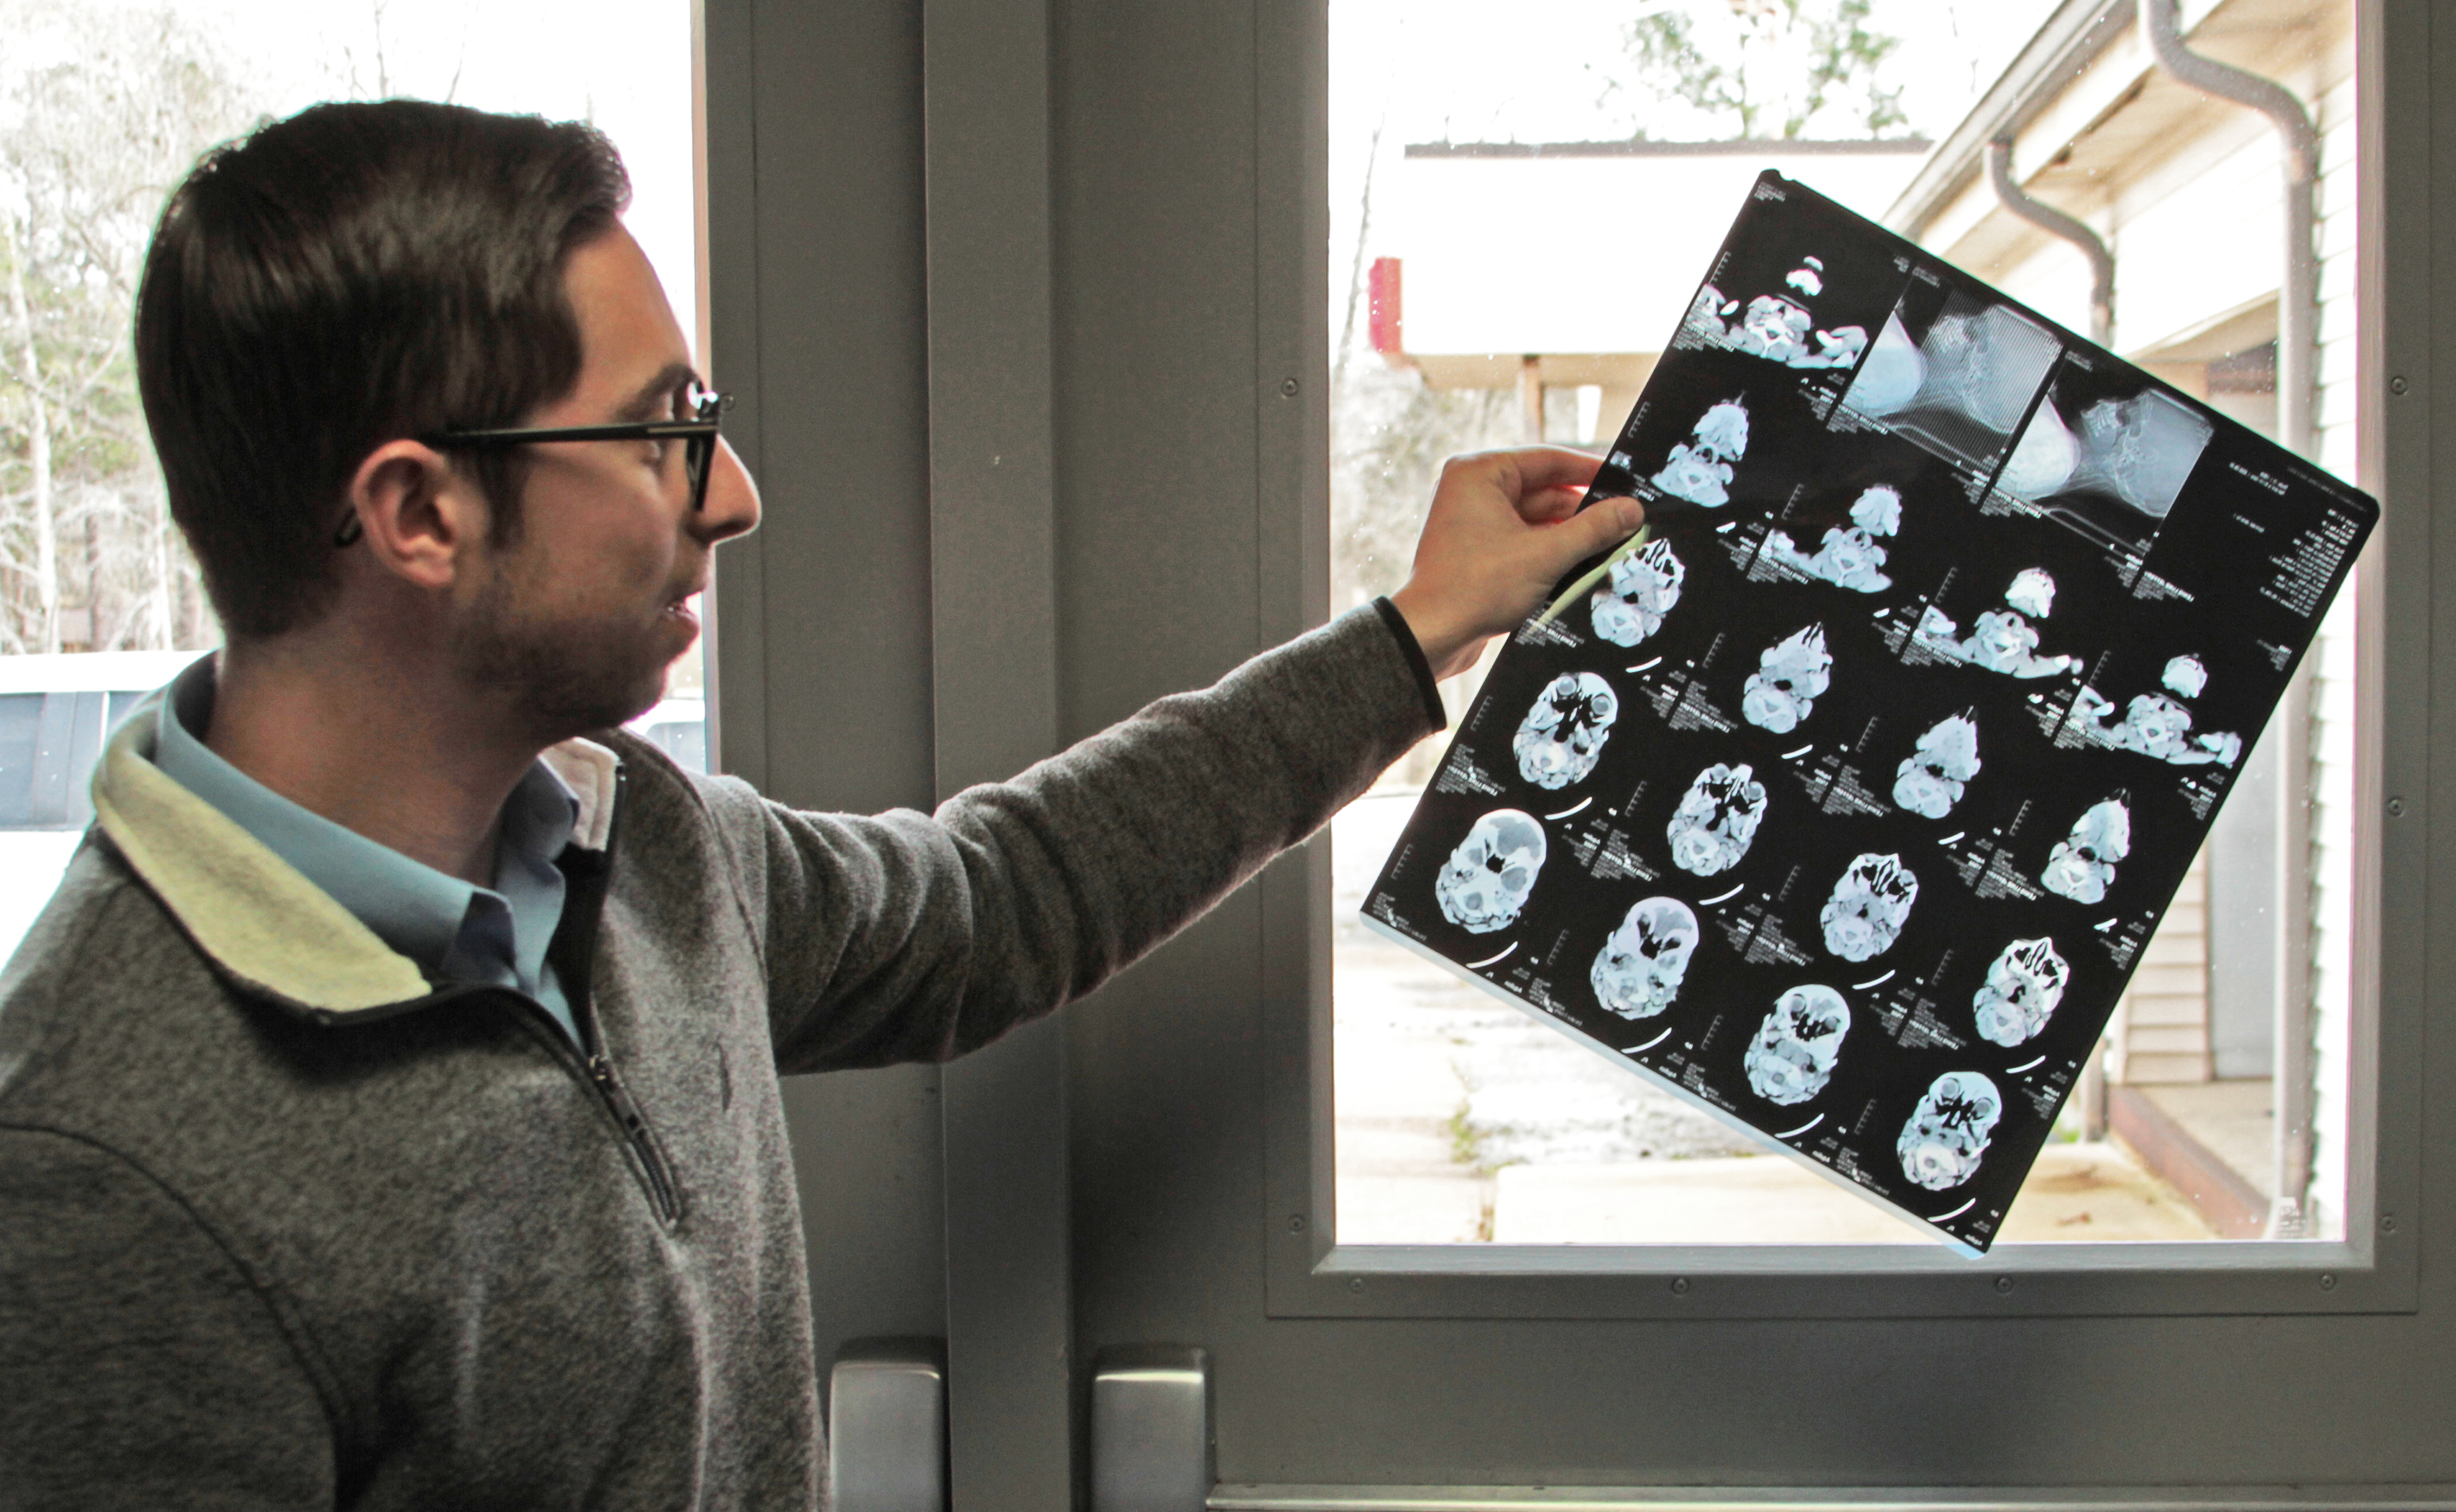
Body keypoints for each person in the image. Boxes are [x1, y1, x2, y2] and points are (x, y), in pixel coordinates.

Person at [0, 99, 1640, 1507]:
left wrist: (1421, 631)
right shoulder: (105, 1176)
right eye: (663, 433)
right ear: (419, 510)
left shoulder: (630, 837)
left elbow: (1003, 897)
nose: (733, 494)